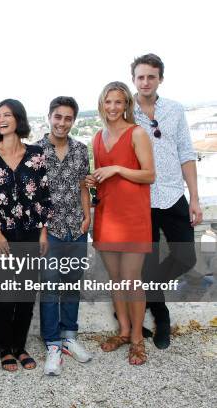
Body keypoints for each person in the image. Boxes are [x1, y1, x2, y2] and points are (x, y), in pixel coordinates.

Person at [131, 53, 202, 349]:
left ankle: (140, 298)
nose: (146, 82)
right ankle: (161, 318)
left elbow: (186, 152)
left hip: (174, 195)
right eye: (140, 77)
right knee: (146, 265)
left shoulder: (174, 109)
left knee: (187, 257)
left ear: (160, 78)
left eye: (151, 76)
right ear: (133, 79)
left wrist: (194, 198)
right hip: (141, 200)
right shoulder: (124, 112)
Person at [0, 99, 51, 372]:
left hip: (31, 231)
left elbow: (44, 196)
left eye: (7, 114)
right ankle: (5, 349)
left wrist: (43, 233)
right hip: (2, 233)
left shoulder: (36, 154)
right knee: (5, 293)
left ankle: (19, 346)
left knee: (26, 293)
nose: (1, 119)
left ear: (18, 118)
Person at [86, 81, 155, 365]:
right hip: (107, 216)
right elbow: (101, 178)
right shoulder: (97, 137)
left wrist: (117, 168)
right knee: (116, 279)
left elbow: (150, 175)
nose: (113, 107)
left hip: (133, 218)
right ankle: (124, 331)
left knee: (132, 280)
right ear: (102, 104)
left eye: (118, 102)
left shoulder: (137, 133)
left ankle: (138, 339)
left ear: (127, 104)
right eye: (108, 101)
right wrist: (92, 180)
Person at [36, 97, 93, 376]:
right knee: (49, 287)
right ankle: (52, 344)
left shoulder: (81, 150)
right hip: (51, 231)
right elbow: (34, 197)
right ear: (49, 117)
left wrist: (87, 218)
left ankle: (69, 336)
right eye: (57, 117)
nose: (62, 123)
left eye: (68, 118)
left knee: (72, 284)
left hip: (76, 229)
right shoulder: (35, 150)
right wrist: (42, 231)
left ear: (73, 121)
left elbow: (84, 187)